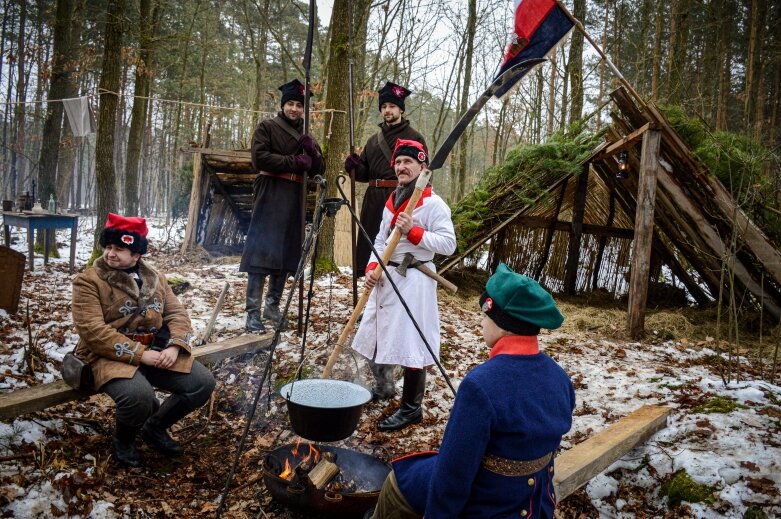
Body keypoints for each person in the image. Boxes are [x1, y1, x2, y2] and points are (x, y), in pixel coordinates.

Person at [367, 263, 576, 519]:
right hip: (530, 501)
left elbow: (453, 477)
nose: (481, 321)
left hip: (488, 502)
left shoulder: (481, 386)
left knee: (397, 483)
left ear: (501, 323)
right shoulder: (560, 377)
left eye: (484, 315)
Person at [71, 213, 216, 467]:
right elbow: (92, 330)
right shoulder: (88, 281)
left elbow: (177, 314)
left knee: (202, 383)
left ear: (136, 255)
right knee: (139, 395)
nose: (110, 254)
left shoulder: (156, 278)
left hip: (155, 350)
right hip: (106, 355)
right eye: (108, 247)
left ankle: (154, 428)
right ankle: (124, 441)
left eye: (119, 249)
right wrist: (140, 354)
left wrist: (175, 345)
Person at [352, 139, 456, 431]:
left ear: (422, 167)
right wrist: (373, 268)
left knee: (413, 342)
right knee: (377, 331)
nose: (401, 167)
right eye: (398, 162)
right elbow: (382, 241)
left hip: (415, 280)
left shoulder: (434, 204)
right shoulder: (392, 201)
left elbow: (448, 244)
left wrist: (414, 232)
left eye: (408, 162)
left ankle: (412, 409)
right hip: (387, 277)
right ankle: (384, 387)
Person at [344, 82, 426, 401]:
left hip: (401, 199)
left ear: (401, 109)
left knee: (392, 267)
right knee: (370, 256)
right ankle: (366, 305)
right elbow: (363, 173)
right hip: (373, 201)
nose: (388, 111)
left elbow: (422, 173)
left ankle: (393, 367)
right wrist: (353, 165)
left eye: (392, 107)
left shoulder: (414, 137)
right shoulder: (373, 139)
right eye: (384, 107)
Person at [240, 78, 324, 332]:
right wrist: (293, 161)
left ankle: (272, 306)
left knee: (287, 254)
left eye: (299, 105)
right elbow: (259, 158)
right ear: (283, 105)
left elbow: (320, 169)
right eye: (290, 103)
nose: (294, 109)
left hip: (295, 197)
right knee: (260, 254)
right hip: (270, 194)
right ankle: (252, 313)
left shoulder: (306, 136)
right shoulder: (266, 127)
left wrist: (314, 155)